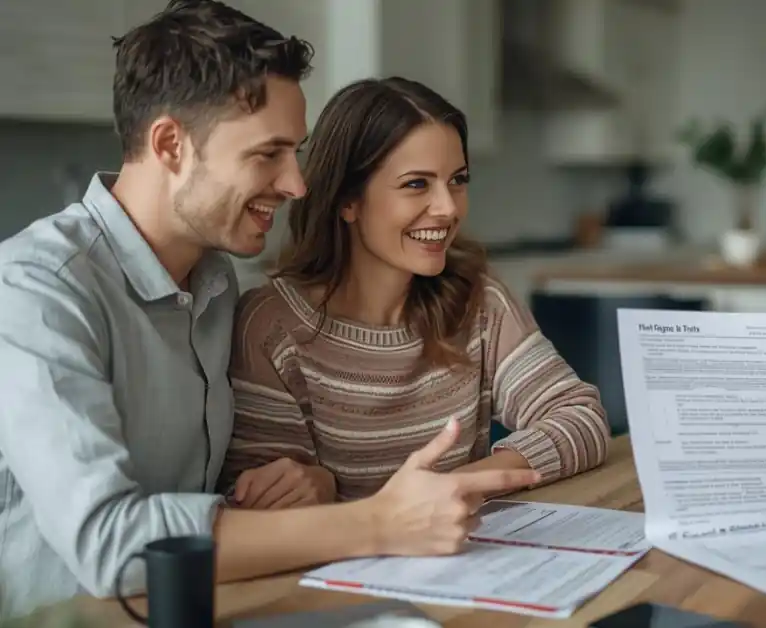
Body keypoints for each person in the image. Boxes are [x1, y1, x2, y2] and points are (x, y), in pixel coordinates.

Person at [0, 0, 537, 618]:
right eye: (268, 154)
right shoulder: (37, 291)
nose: (297, 185)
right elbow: (112, 543)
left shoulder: (218, 284)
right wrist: (376, 523)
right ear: (171, 144)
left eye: (296, 153)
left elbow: (218, 493)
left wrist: (310, 482)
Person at [217, 76, 610, 509]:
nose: (447, 208)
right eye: (416, 184)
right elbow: (260, 502)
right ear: (347, 200)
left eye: (457, 179)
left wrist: (462, 486)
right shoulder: (270, 328)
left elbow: (582, 417)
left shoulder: (479, 302)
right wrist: (320, 487)